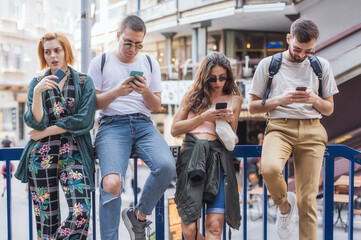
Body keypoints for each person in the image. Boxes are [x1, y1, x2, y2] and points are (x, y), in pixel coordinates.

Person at [248, 18, 339, 240]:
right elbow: (251, 107)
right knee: (268, 169)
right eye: (298, 48)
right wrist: (279, 100)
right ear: (288, 39)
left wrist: (314, 98)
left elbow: (328, 109)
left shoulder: (321, 65)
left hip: (312, 129)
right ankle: (285, 208)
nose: (301, 55)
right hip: (279, 127)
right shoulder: (269, 65)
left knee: (307, 201)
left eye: (308, 51)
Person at [87, 15, 176, 240]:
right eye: (128, 42)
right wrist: (117, 91)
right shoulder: (101, 61)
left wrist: (144, 90)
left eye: (138, 44)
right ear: (118, 36)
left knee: (166, 166)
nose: (132, 49)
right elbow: (91, 104)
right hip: (111, 124)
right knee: (112, 182)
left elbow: (156, 106)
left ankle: (138, 215)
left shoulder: (148, 62)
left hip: (143, 124)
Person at [14, 32, 96, 240]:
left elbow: (84, 121)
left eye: (57, 50)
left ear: (66, 51)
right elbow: (36, 122)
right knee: (46, 221)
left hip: (74, 152)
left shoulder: (84, 82)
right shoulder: (37, 82)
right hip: (42, 156)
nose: (53, 56)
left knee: (81, 212)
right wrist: (38, 94)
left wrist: (47, 131)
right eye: (47, 52)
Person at [171, 52, 243, 239]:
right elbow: (174, 129)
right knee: (189, 230)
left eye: (222, 78)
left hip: (219, 160)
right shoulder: (191, 96)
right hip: (192, 157)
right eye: (212, 78)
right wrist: (204, 117)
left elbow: (232, 138)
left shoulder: (235, 99)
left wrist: (228, 120)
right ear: (204, 77)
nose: (218, 82)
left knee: (214, 227)